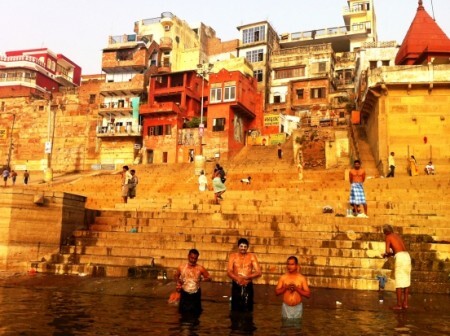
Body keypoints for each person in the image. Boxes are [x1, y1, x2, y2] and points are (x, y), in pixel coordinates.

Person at [227, 238, 262, 312]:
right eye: (241, 246)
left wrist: (247, 277)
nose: (243, 248)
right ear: (238, 247)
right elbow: (229, 272)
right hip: (236, 285)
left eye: (245, 247)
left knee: (248, 308)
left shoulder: (252, 256)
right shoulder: (232, 256)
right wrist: (237, 279)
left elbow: (258, 272)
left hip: (248, 285)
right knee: (235, 308)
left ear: (247, 247)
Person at [382, 224, 411, 310]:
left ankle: (399, 305)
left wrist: (385, 255)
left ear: (386, 232)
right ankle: (405, 303)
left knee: (399, 282)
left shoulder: (388, 237)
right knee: (406, 280)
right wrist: (391, 254)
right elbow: (398, 250)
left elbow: (387, 251)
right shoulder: (397, 236)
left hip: (401, 258)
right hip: (407, 256)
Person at [174, 249, 211, 316]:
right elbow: (176, 276)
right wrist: (178, 282)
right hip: (185, 293)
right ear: (188, 256)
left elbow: (209, 278)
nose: (193, 260)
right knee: (183, 313)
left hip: (195, 294)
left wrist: (202, 279)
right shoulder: (181, 267)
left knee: (196, 314)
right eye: (192, 258)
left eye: (195, 258)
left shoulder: (200, 268)